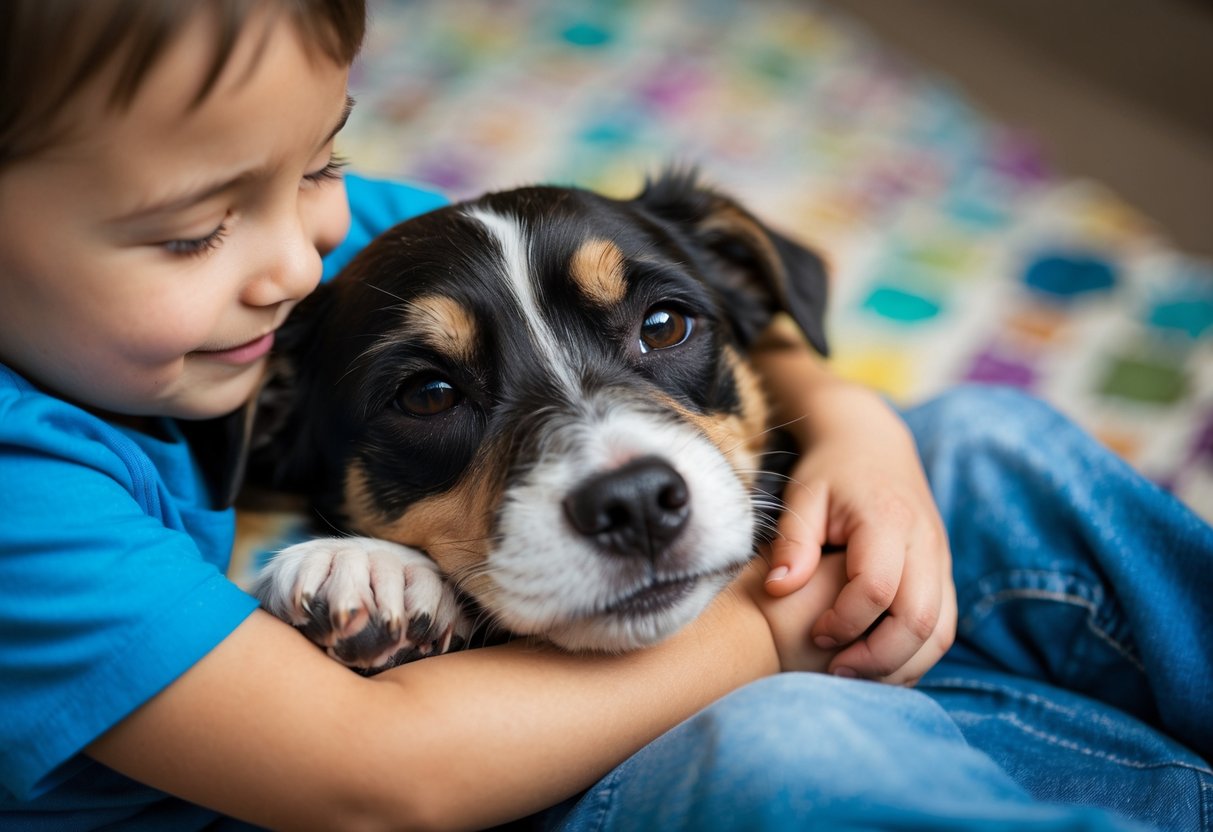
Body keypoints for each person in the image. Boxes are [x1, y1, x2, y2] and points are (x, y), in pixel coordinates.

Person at [0, 3, 1207, 831]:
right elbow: (377, 778)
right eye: (194, 228)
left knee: (975, 445)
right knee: (787, 750)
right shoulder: (25, 494)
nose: (297, 257)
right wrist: (774, 627)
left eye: (319, 161)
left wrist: (854, 429)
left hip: (678, 657)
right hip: (484, 776)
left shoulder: (276, 252)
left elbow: (667, 273)